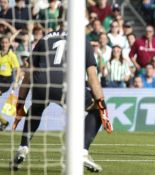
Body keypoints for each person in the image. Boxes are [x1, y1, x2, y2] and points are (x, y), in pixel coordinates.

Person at [9, 31, 112, 172]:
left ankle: (23, 147)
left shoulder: (44, 38)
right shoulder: (82, 40)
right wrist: (103, 107)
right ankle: (82, 152)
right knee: (96, 110)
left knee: (37, 108)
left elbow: (29, 73)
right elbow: (92, 77)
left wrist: (20, 102)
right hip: (67, 84)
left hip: (42, 82)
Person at [0, 36, 22, 131]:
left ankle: (4, 122)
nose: (4, 44)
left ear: (9, 44)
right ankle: (4, 122)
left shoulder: (11, 55)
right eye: (3, 42)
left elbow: (18, 69)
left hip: (6, 81)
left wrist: (16, 82)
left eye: (6, 42)